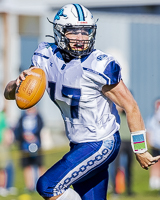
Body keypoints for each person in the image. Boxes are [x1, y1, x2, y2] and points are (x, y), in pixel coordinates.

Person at [4, 3, 160, 200]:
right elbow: (10, 94)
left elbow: (131, 106)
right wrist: (17, 83)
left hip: (101, 142)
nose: (81, 38)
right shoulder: (45, 57)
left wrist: (140, 148)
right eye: (73, 32)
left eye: (85, 32)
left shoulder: (99, 64)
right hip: (77, 143)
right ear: (60, 32)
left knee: (48, 186)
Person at [14, 106, 46, 192]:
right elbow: (18, 129)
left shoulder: (38, 116)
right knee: (27, 166)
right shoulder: (22, 117)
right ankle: (29, 186)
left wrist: (34, 136)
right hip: (24, 146)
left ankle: (42, 185)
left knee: (39, 165)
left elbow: (41, 126)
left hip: (36, 145)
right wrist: (24, 136)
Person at [109, 106, 134, 196]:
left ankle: (129, 189)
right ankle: (115, 190)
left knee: (129, 166)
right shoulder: (114, 113)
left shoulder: (129, 113)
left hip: (129, 141)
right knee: (116, 166)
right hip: (119, 140)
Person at [0, 104, 16, 197]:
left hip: (1, 144)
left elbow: (6, 130)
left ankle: (3, 187)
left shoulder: (2, 116)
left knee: (2, 167)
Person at [146, 98, 160, 190]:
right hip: (155, 145)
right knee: (155, 164)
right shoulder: (151, 118)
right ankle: (154, 183)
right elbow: (148, 131)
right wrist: (149, 142)